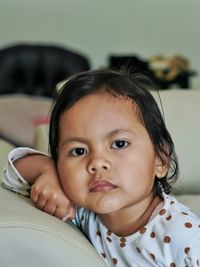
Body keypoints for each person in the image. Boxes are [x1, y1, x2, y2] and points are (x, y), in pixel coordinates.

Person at [2, 69, 200, 266]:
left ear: (161, 160)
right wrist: (46, 171)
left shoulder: (184, 238)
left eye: (119, 144)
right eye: (78, 151)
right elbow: (13, 172)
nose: (97, 162)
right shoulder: (79, 210)